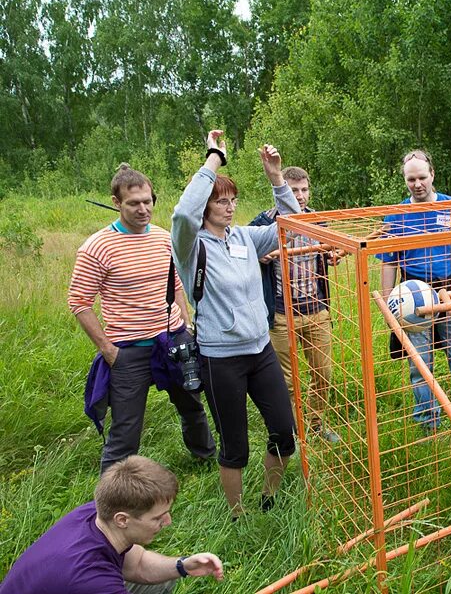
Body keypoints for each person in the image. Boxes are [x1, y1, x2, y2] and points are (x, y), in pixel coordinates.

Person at [171, 131, 299, 518]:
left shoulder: (245, 237)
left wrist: (277, 178)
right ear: (206, 206)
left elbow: (293, 225)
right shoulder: (190, 246)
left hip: (259, 351)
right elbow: (181, 214)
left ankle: (268, 498)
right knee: (235, 446)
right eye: (221, 202)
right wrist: (214, 159)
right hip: (220, 359)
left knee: (283, 432)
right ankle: (237, 514)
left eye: (233, 201)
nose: (229, 208)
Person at [68, 163, 215, 473]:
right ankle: (112, 496)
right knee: (126, 429)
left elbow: (175, 283)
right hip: (128, 350)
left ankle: (205, 461)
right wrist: (109, 352)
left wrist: (184, 322)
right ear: (116, 202)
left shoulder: (164, 239)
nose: (143, 209)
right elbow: (79, 302)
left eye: (148, 201)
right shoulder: (97, 247)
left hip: (173, 340)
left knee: (192, 407)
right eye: (134, 203)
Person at [378, 149, 451, 435]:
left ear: (433, 174)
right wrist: (388, 305)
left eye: (422, 177)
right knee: (420, 366)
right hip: (412, 296)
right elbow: (388, 264)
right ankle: (429, 424)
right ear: (404, 179)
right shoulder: (396, 216)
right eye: (411, 179)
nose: (417, 184)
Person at [0, 456, 224, 594]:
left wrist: (182, 566)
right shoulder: (92, 580)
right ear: (122, 519)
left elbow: (138, 565)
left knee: (160, 583)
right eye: (158, 518)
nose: (168, 522)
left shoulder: (97, 514)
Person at [250, 166, 339, 443]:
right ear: (281, 191)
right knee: (285, 381)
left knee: (323, 373)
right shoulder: (262, 224)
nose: (299, 196)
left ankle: (316, 424)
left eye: (303, 189)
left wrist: (332, 255)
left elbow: (328, 253)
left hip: (316, 310)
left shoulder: (317, 220)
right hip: (279, 314)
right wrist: (258, 257)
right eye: (293, 190)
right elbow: (241, 256)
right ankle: (292, 431)